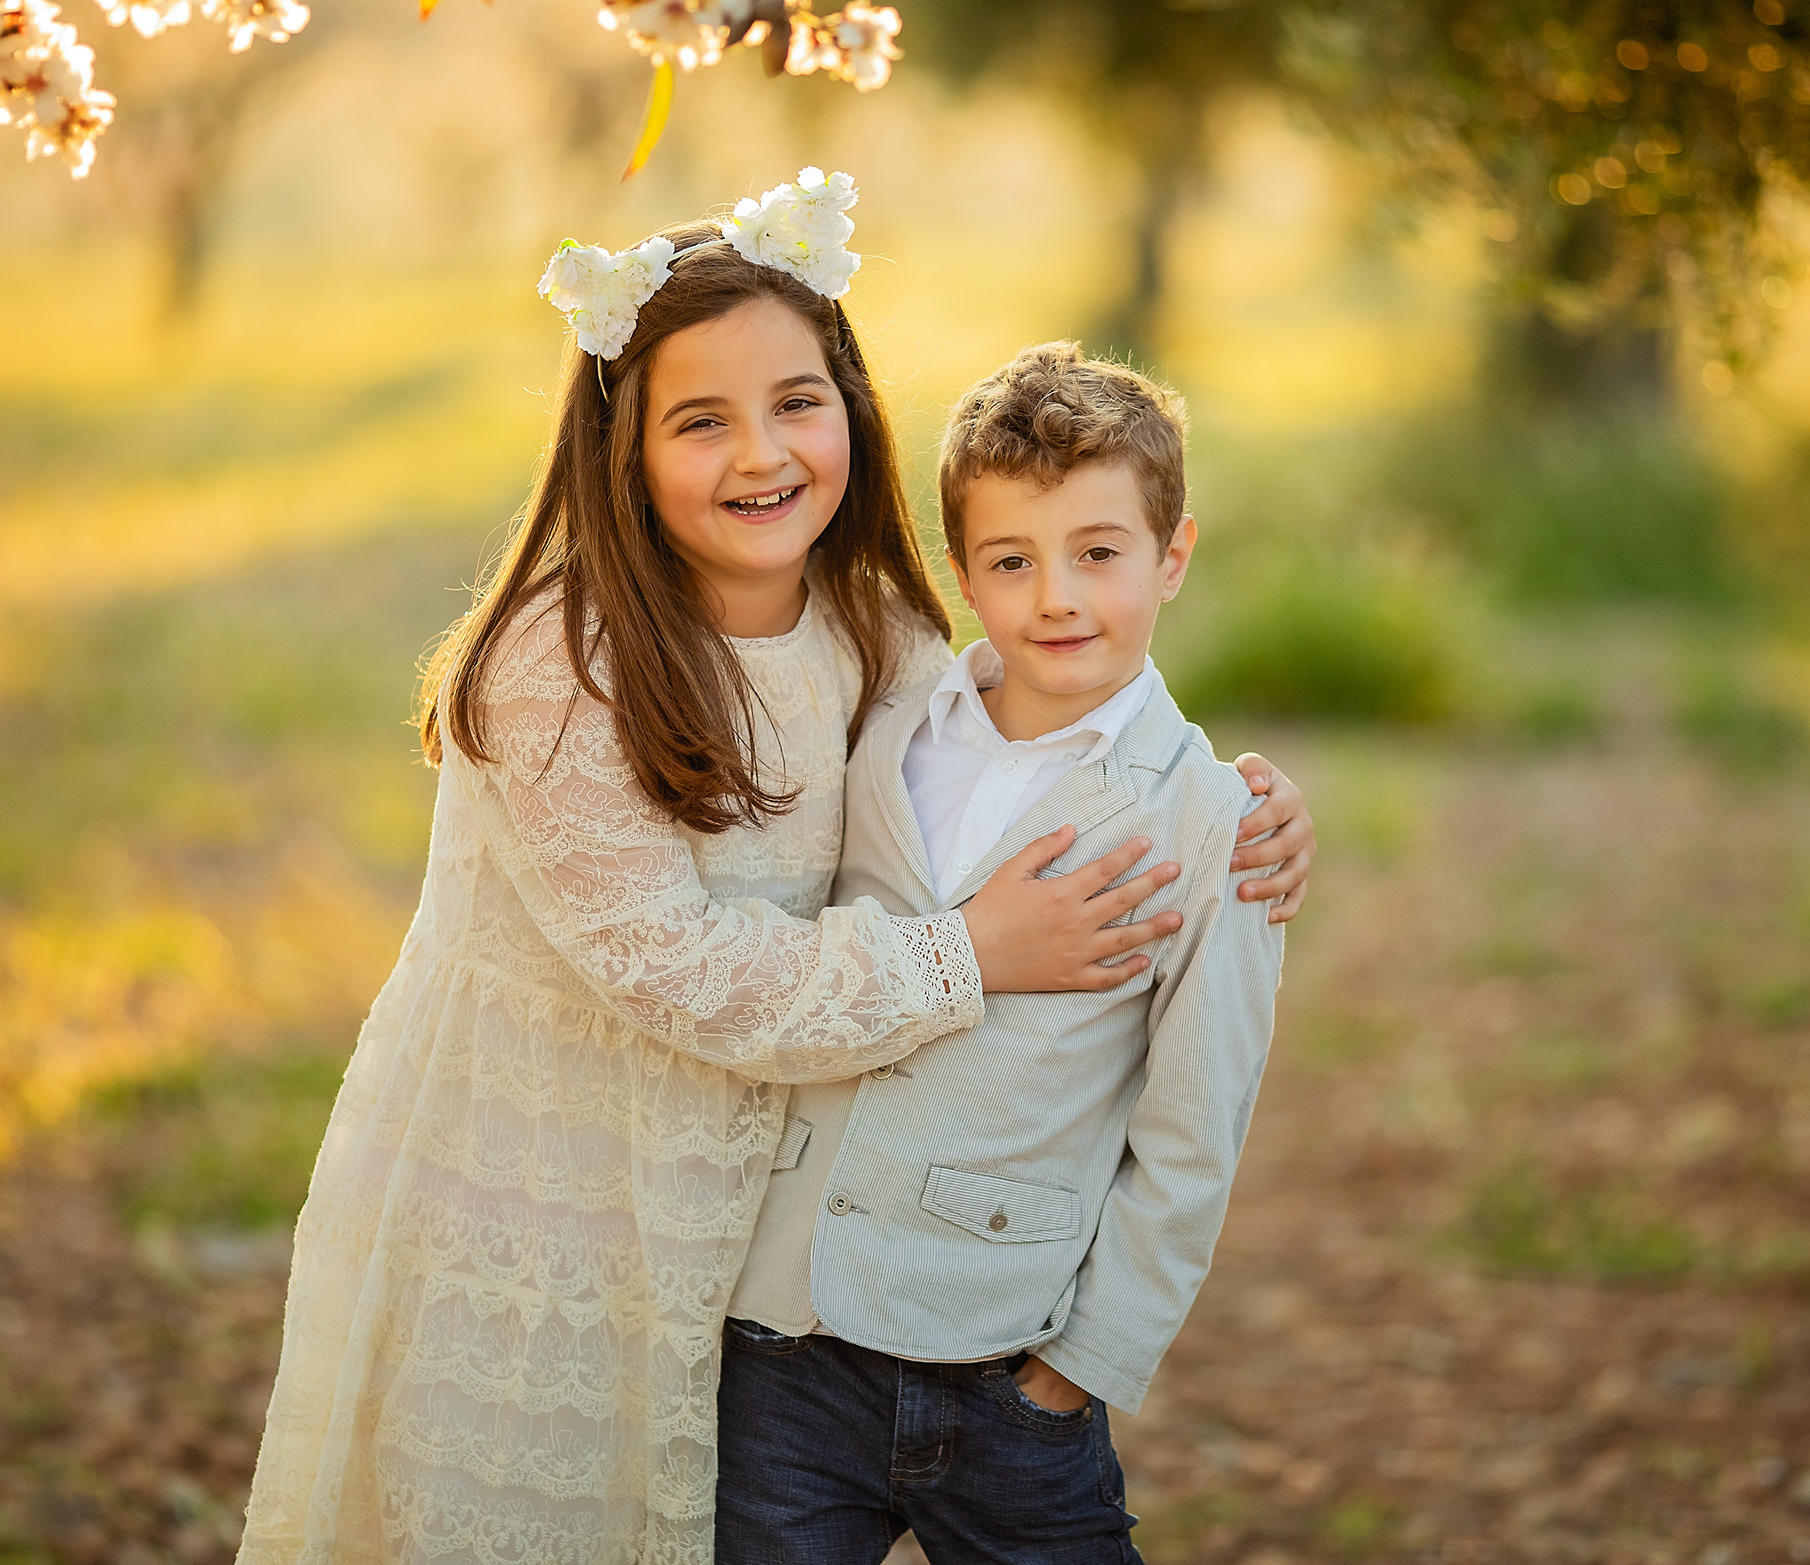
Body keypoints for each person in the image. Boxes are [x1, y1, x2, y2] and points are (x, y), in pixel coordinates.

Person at [235, 172, 1315, 1565]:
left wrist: (1250, 811)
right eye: (701, 419)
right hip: (545, 1197)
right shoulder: (558, 669)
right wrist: (969, 951)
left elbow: (1044, 730)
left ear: (852, 413)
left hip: (754, 1244)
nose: (762, 452)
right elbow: (677, 969)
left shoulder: (880, 645)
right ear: (622, 447)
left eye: (796, 402)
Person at [718, 341, 1288, 1565]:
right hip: (789, 1343)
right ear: (962, 572)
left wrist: (1079, 1373)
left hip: (1001, 1371)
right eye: (1011, 561)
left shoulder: (1208, 821)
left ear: (1172, 554)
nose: (1057, 598)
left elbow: (1195, 1125)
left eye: (1099, 553)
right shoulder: (889, 729)